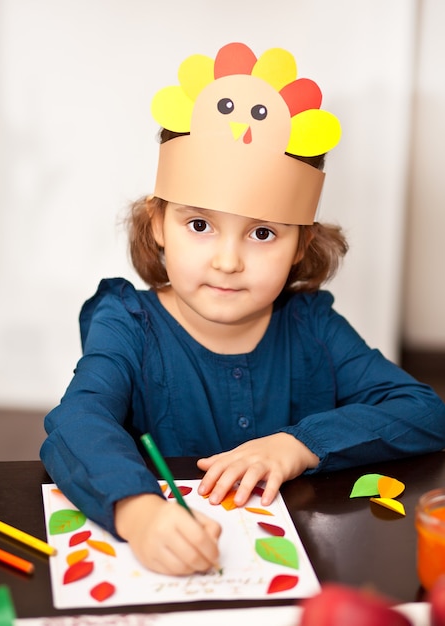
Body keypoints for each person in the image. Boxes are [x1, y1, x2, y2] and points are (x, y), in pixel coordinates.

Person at [40, 42, 445, 577]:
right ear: (158, 224)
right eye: (200, 225)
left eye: (262, 233)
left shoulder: (312, 327)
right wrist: (137, 513)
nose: (228, 261)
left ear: (300, 245)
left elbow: (423, 411)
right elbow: (78, 420)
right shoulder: (127, 324)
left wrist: (299, 444)